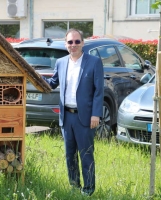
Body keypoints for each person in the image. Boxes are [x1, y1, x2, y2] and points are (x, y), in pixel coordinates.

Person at [43, 28, 104, 196]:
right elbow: (52, 83)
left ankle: (89, 189)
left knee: (86, 154)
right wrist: (33, 75)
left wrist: (96, 114)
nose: (74, 45)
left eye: (77, 41)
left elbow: (99, 90)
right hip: (66, 117)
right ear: (66, 44)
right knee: (69, 155)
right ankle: (74, 187)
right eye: (70, 42)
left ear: (83, 43)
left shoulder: (94, 62)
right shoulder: (61, 62)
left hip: (85, 117)